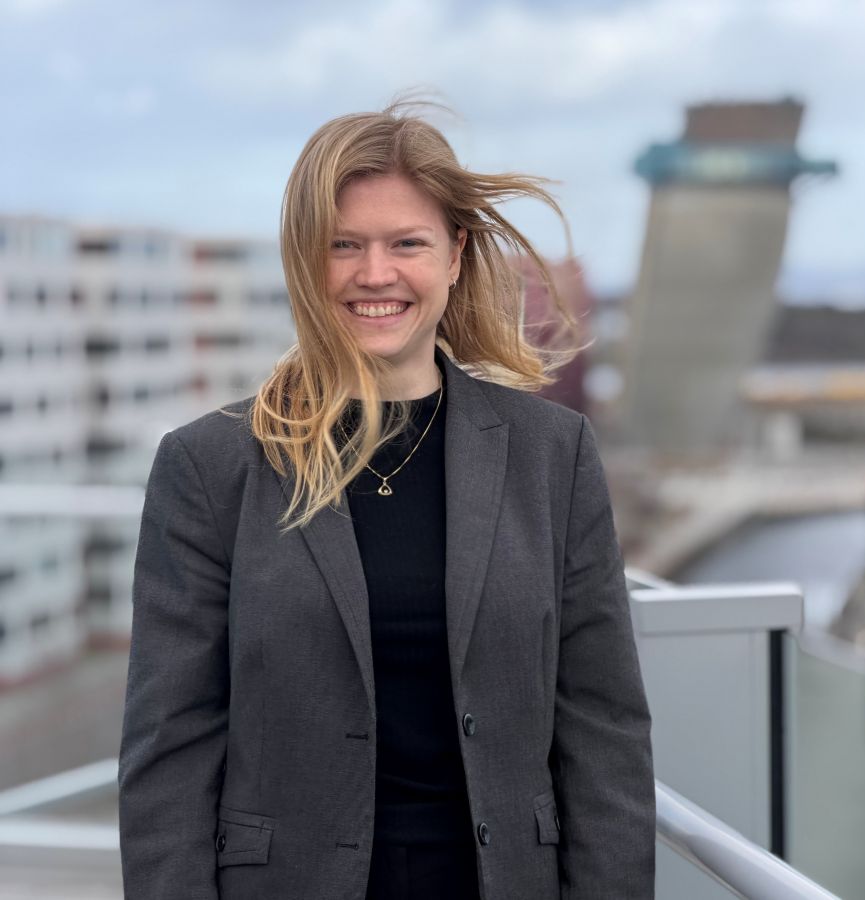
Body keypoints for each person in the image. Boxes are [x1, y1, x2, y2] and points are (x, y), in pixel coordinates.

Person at [118, 101, 655, 900]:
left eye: (407, 243)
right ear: (306, 261)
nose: (375, 274)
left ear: (455, 255)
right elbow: (171, 748)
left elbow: (604, 731)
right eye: (344, 245)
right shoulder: (209, 467)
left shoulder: (553, 455)